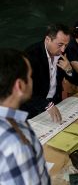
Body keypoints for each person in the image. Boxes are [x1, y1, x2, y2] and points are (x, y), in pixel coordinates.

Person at [0, 49, 50, 184]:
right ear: (20, 85)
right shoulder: (15, 143)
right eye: (30, 76)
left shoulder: (15, 122)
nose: (32, 81)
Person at [21, 24, 73, 123]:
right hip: (34, 106)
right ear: (48, 39)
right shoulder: (31, 55)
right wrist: (47, 105)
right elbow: (25, 90)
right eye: (60, 45)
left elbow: (72, 78)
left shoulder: (64, 51)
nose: (63, 49)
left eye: (66, 45)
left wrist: (69, 70)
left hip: (55, 101)